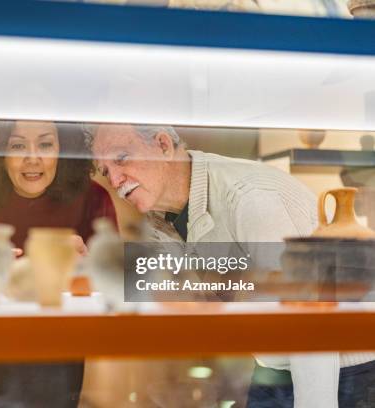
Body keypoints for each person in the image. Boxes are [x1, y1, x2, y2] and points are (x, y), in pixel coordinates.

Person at [87, 123, 375, 407]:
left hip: (343, 370)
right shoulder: (158, 218)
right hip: (273, 367)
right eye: (106, 171)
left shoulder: (250, 199)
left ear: (163, 145)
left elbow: (309, 322)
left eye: (121, 159)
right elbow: (163, 292)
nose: (114, 180)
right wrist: (88, 268)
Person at [0, 120, 117, 407]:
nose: (33, 158)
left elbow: (123, 288)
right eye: (17, 145)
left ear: (63, 148)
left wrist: (87, 270)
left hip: (58, 362)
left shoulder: (93, 200)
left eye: (45, 144)